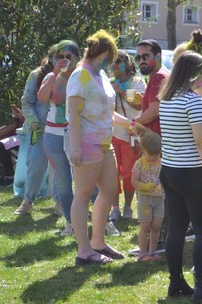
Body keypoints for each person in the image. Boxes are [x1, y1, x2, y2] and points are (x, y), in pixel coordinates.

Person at [66, 30, 144, 265]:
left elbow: (108, 113)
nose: (112, 62)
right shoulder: (80, 75)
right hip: (86, 144)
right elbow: (73, 114)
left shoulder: (99, 75)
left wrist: (131, 124)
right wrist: (75, 147)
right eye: (112, 57)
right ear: (105, 53)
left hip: (104, 142)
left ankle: (98, 242)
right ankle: (84, 250)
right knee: (82, 195)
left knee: (109, 191)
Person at [158, 51, 202, 302]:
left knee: (176, 227)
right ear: (195, 73)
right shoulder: (193, 101)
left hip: (170, 170)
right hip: (193, 174)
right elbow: (201, 141)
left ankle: (175, 282)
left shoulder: (166, 98)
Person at [38, 40, 80, 236]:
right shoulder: (51, 76)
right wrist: (55, 74)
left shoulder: (82, 77)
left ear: (77, 58)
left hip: (78, 135)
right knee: (63, 183)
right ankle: (71, 222)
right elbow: (42, 98)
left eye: (68, 56)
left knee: (85, 181)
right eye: (59, 57)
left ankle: (100, 220)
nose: (64, 60)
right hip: (54, 136)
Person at [133, 38, 171, 251]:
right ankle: (159, 239)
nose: (141, 61)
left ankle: (158, 241)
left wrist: (133, 123)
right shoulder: (160, 76)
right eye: (138, 57)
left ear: (158, 56)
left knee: (156, 192)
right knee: (160, 191)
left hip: (157, 145)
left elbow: (154, 111)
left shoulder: (158, 77)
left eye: (145, 56)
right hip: (158, 143)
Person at [14, 55, 55, 215]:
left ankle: (60, 203)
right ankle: (28, 201)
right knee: (35, 167)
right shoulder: (36, 75)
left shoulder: (70, 75)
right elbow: (26, 102)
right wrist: (33, 121)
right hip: (39, 130)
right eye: (59, 56)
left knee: (62, 170)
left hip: (61, 130)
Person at [109, 50, 146, 221]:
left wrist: (122, 92)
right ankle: (115, 208)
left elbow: (140, 105)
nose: (114, 65)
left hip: (132, 135)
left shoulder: (137, 82)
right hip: (113, 134)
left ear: (127, 63)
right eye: (112, 62)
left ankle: (128, 207)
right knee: (112, 173)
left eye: (118, 61)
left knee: (129, 173)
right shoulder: (109, 83)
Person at [131, 131, 165, 262]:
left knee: (156, 226)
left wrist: (161, 186)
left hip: (159, 199)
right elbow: (134, 182)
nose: (154, 158)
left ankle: (153, 252)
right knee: (145, 226)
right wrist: (144, 186)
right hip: (145, 199)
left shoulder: (162, 163)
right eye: (151, 155)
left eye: (157, 155)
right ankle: (142, 253)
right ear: (143, 150)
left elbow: (166, 179)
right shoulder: (139, 163)